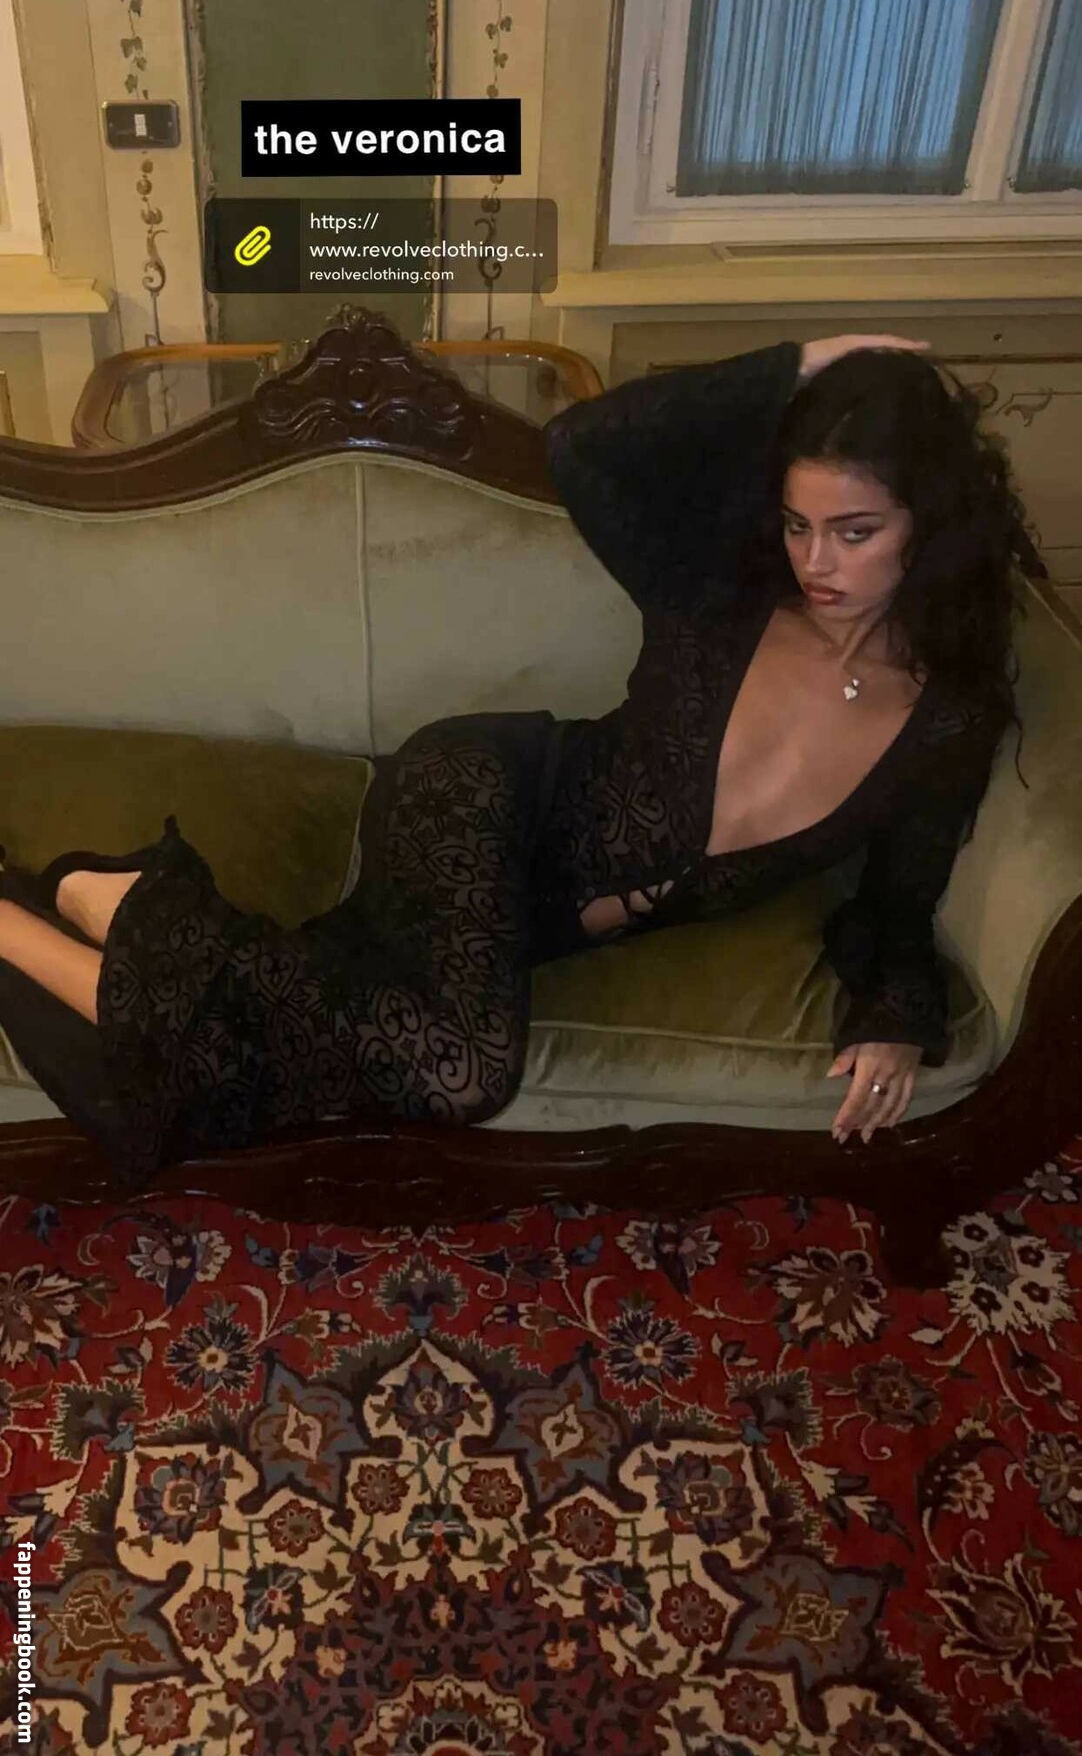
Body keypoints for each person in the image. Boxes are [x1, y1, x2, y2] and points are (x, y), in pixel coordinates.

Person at [0, 333, 1031, 1184]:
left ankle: (111, 902)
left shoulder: (948, 719)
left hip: (534, 921)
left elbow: (898, 898)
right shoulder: (721, 591)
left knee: (294, 1045)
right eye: (799, 523)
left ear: (929, 523)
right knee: (463, 1071)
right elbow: (586, 446)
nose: (816, 562)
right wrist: (794, 365)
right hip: (483, 795)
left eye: (855, 531)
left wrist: (894, 1017)